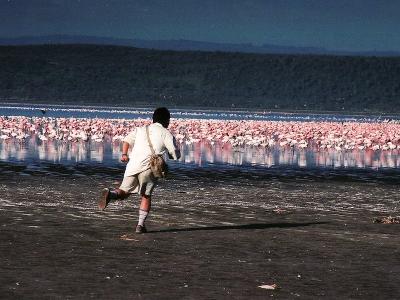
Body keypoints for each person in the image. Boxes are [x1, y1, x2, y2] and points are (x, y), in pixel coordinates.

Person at [98, 107, 181, 234]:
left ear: (153, 119)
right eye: (168, 120)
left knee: (124, 192)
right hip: (149, 167)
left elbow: (126, 140)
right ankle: (140, 225)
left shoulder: (141, 129)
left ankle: (110, 193)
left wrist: (124, 154)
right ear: (166, 120)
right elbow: (175, 153)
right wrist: (174, 155)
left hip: (133, 164)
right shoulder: (166, 133)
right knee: (146, 195)